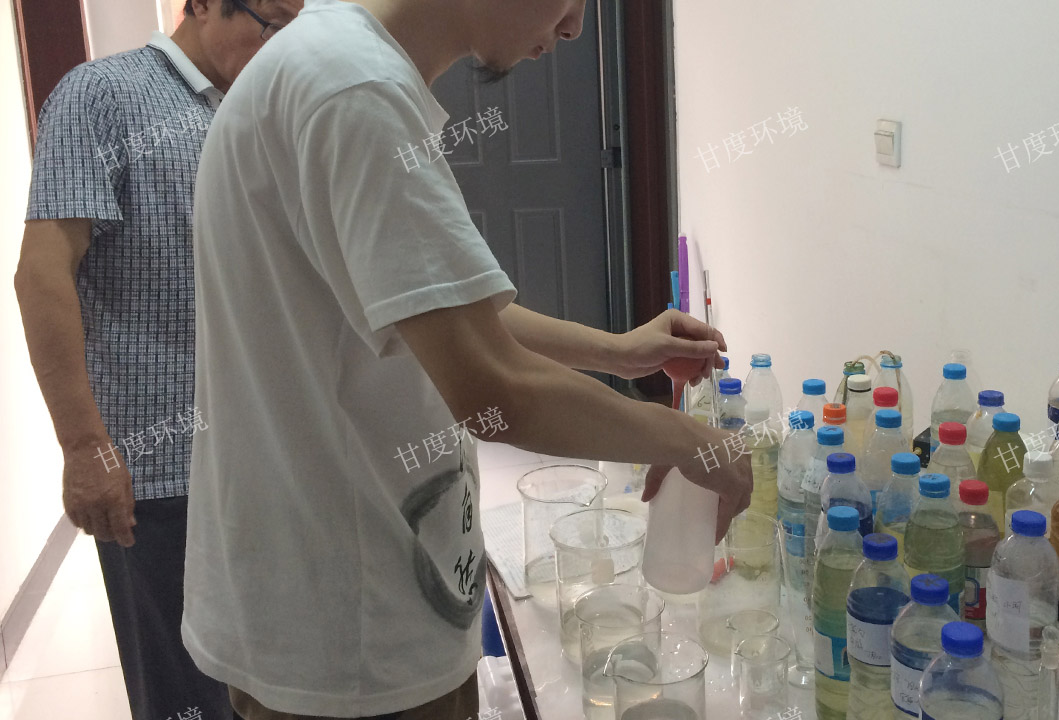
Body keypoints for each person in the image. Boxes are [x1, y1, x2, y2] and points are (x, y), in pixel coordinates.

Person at [182, 0, 754, 718]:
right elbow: (493, 391)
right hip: (352, 643)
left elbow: (440, 307)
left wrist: (616, 351)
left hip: (330, 605)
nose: (574, 27)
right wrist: (691, 442)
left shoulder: (333, 62)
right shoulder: (355, 91)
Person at [13, 2, 301, 719]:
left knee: (275, 686)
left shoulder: (256, 108)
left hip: (266, 460)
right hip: (164, 474)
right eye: (269, 21)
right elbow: (42, 273)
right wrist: (85, 448)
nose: (279, 43)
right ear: (200, 4)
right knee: (188, 695)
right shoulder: (102, 96)